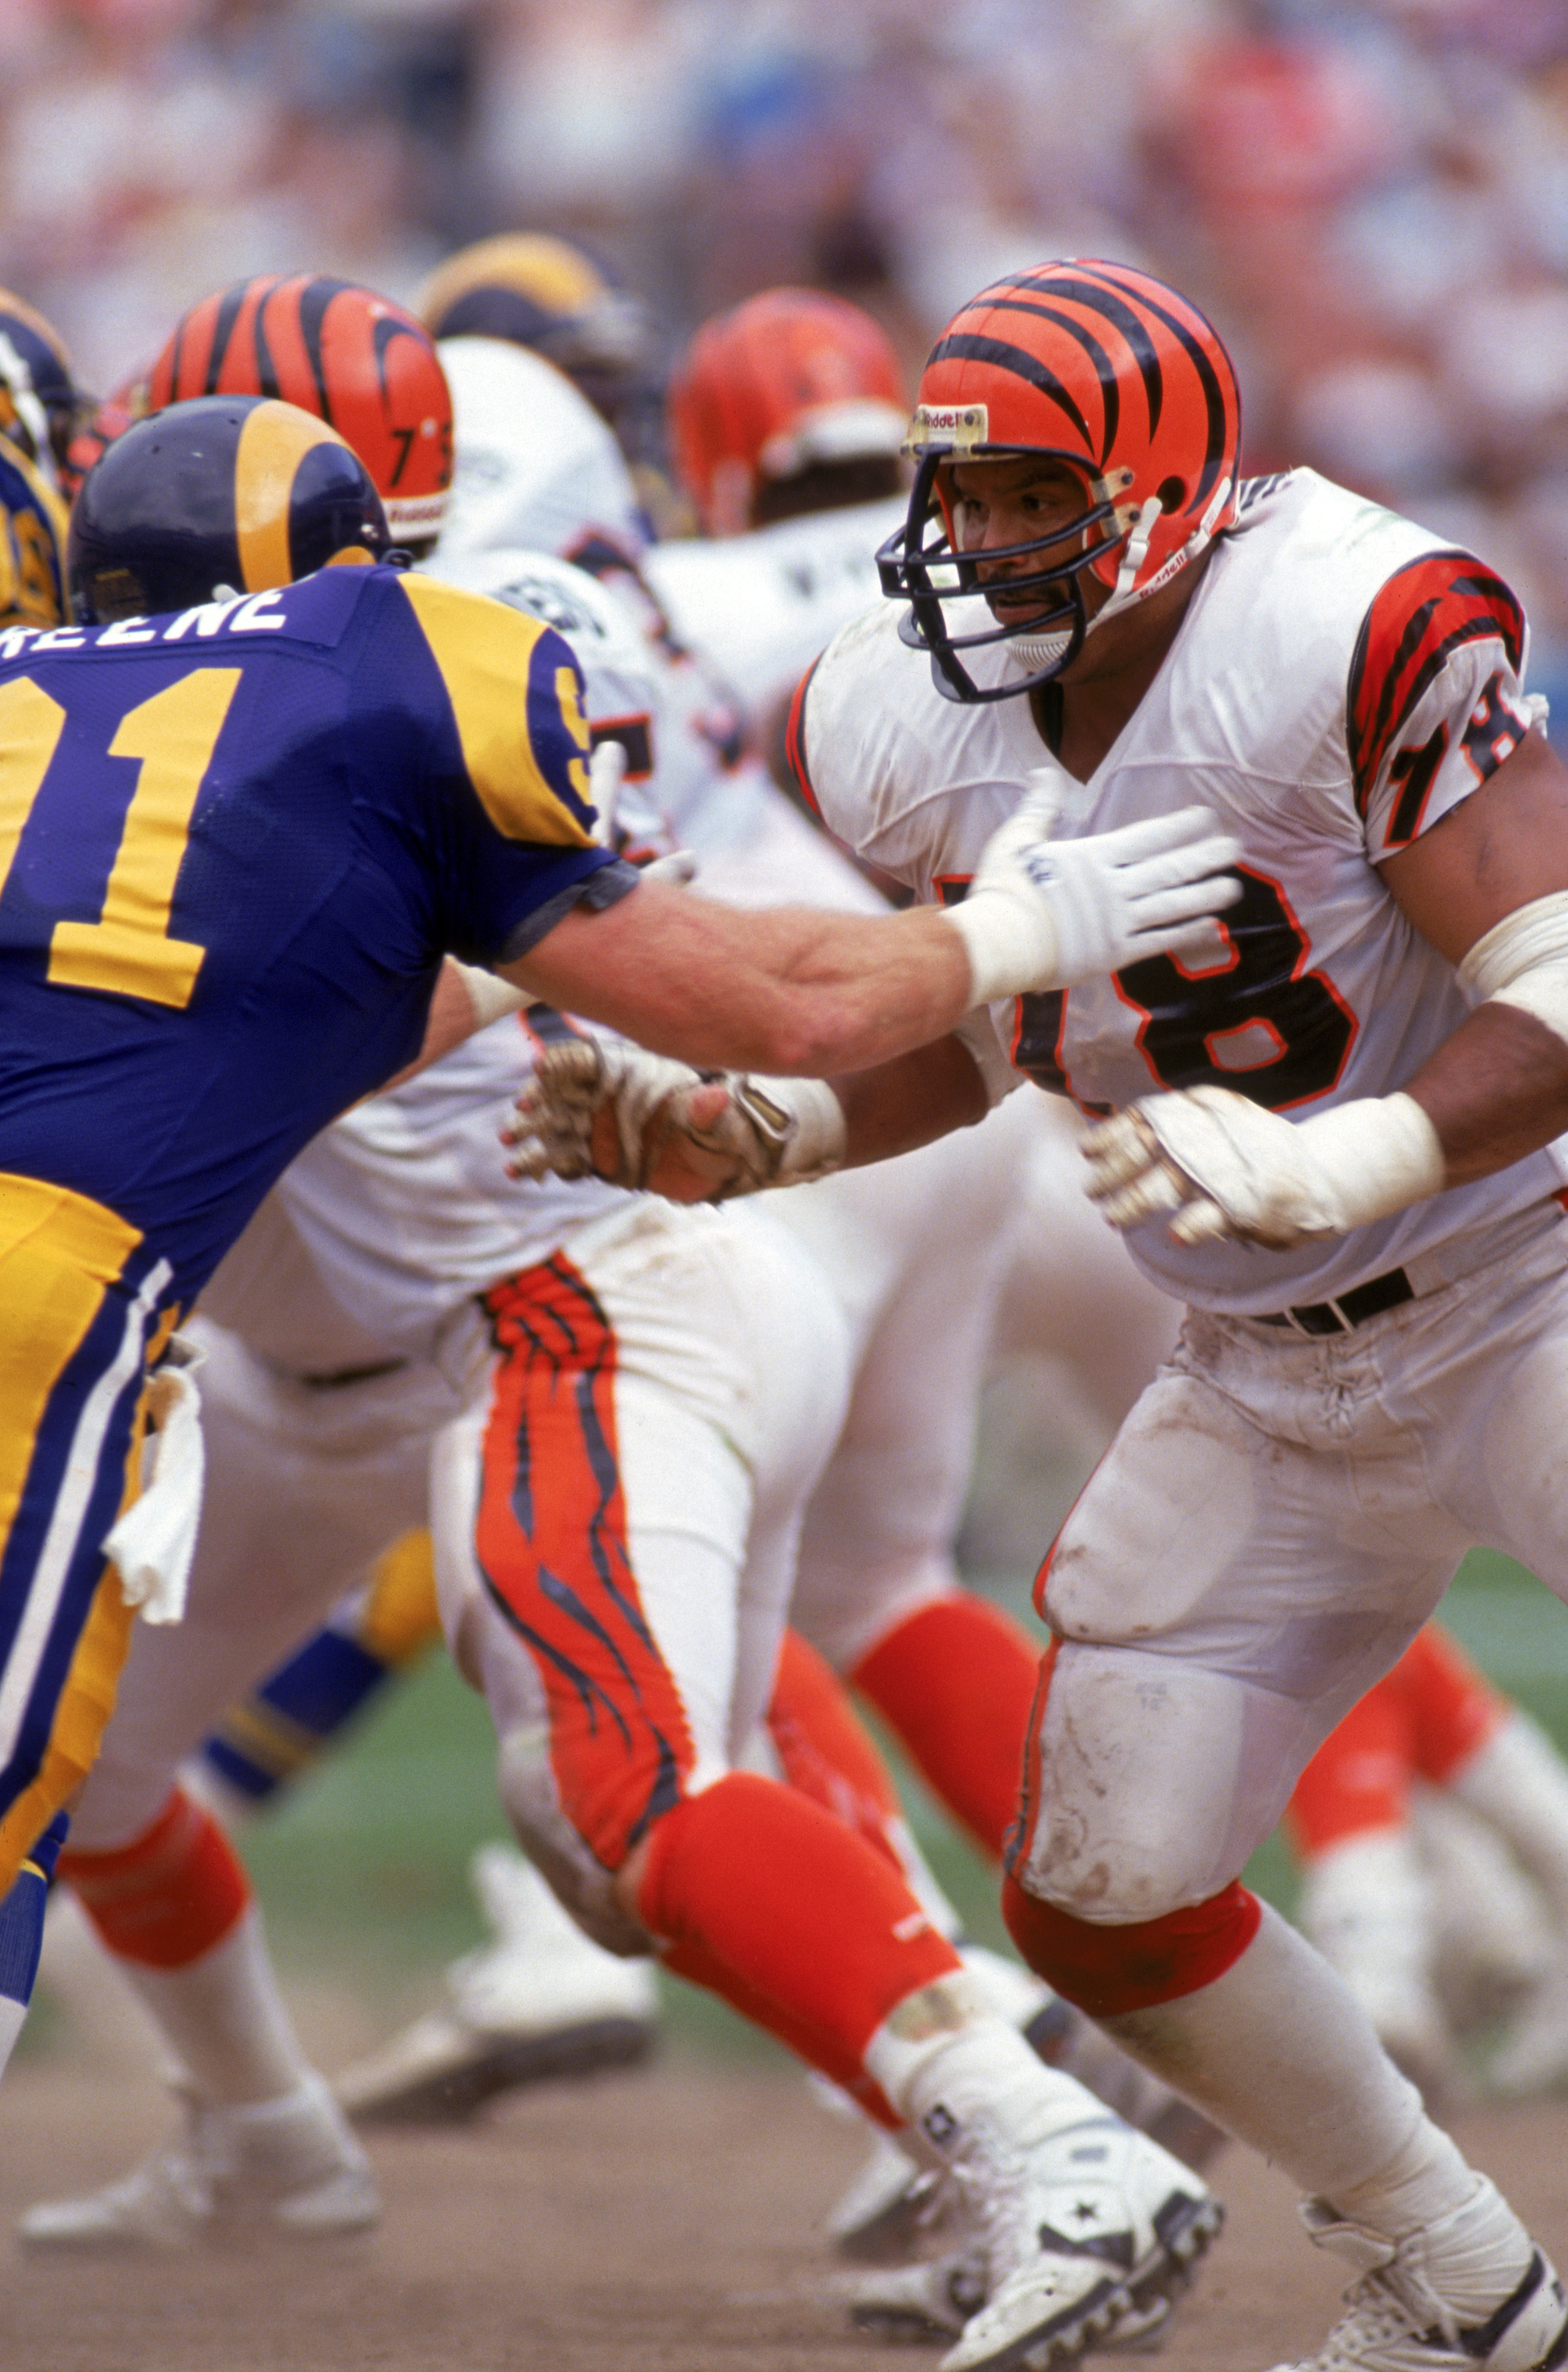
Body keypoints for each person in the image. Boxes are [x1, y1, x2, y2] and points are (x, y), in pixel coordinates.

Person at [510, 254, 1568, 2372]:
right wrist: (760, 1132)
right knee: (1099, 1889)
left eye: (1029, 498)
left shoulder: (1344, 617)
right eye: (960, 494)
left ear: (1171, 492)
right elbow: (997, 1033)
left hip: (1521, 1275)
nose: (976, 543)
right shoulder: (890, 707)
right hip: (1265, 1374)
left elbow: (1558, 973)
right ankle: (1461, 2275)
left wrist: (1353, 1156)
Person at [0, 377, 1242, 2148]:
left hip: (620, 1205)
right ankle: (1010, 2040)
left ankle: (986, 2079)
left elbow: (610, 993)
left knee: (628, 1751)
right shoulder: (496, 628)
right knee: (830, 1613)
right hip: (812, 1135)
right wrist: (1021, 926)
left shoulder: (210, 675)